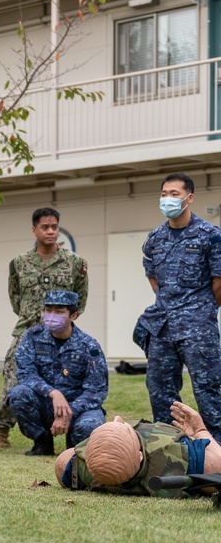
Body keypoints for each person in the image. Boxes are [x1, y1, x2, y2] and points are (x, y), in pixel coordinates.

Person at [0, 207, 88, 449]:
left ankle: (71, 427)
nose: (51, 231)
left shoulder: (75, 263)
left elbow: (81, 298)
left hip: (62, 335)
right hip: (27, 330)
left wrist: (62, 324)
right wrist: (33, 320)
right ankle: (2, 432)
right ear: (34, 230)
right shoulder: (19, 263)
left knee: (69, 381)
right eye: (45, 227)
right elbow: (15, 297)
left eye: (54, 227)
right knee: (12, 378)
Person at [136, 172, 221, 441]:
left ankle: (216, 449)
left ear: (189, 198)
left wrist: (199, 308)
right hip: (162, 327)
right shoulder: (155, 238)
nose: (168, 199)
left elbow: (219, 283)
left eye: (174, 194)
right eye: (164, 194)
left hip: (199, 329)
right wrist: (170, 305)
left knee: (208, 389)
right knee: (160, 389)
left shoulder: (211, 236)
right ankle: (169, 448)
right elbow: (153, 277)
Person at [7, 290, 107, 456]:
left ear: (73, 315)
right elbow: (26, 373)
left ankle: (74, 446)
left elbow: (96, 391)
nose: (52, 315)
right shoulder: (33, 337)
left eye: (59, 311)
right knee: (18, 395)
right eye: (48, 310)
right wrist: (53, 393)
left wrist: (68, 413)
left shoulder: (89, 346)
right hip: (46, 405)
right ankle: (42, 441)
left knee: (90, 427)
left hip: (79, 407)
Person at [56, 402, 221, 497]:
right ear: (140, 456)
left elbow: (63, 460)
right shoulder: (191, 463)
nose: (118, 418)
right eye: (127, 428)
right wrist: (200, 431)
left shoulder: (77, 470)